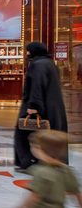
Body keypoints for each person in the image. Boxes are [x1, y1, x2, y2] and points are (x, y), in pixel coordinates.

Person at [15, 42, 69, 171]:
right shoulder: (50, 64)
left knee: (26, 133)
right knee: (51, 134)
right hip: (53, 107)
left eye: (28, 51)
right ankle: (53, 161)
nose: (27, 53)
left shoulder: (37, 65)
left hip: (40, 107)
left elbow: (37, 86)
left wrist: (34, 105)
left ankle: (31, 161)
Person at [18, 130, 82, 208]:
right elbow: (77, 193)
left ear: (40, 150)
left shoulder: (41, 172)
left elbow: (34, 197)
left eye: (34, 146)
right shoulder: (67, 170)